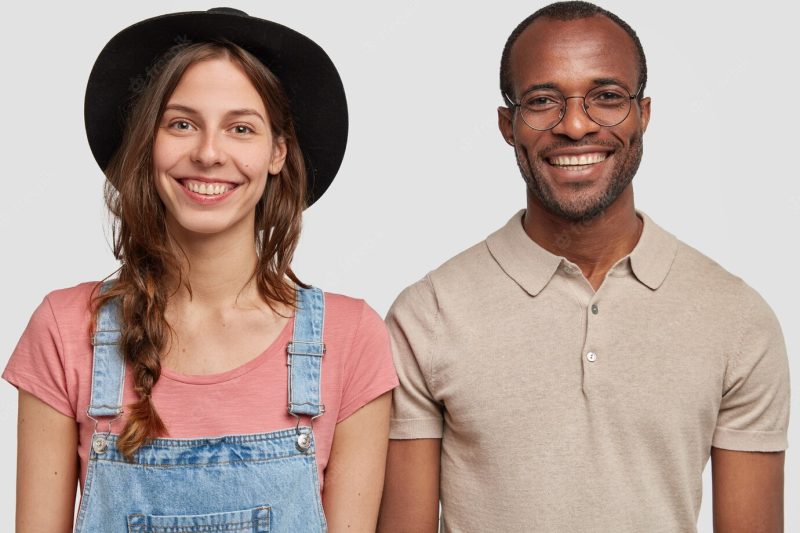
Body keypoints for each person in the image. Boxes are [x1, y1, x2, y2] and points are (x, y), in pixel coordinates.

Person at [378, 2, 790, 532]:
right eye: (543, 100)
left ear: (644, 113)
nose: (574, 125)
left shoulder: (738, 319)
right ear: (509, 124)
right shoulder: (426, 316)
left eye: (607, 98)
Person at [3, 8, 398, 532]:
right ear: (148, 141)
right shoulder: (64, 326)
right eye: (182, 124)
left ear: (277, 152)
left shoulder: (350, 338)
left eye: (240, 128)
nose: (209, 153)